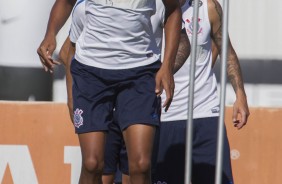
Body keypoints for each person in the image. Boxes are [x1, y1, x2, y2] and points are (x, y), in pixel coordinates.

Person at [39, 0, 182, 184]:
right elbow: (66, 2)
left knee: (140, 164)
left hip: (140, 73)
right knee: (92, 164)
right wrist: (50, 33)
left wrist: (167, 67)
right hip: (91, 73)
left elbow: (174, 10)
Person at [152, 0, 250, 183]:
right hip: (165, 116)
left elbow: (226, 50)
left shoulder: (208, 7)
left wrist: (240, 96)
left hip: (206, 113)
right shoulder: (150, 7)